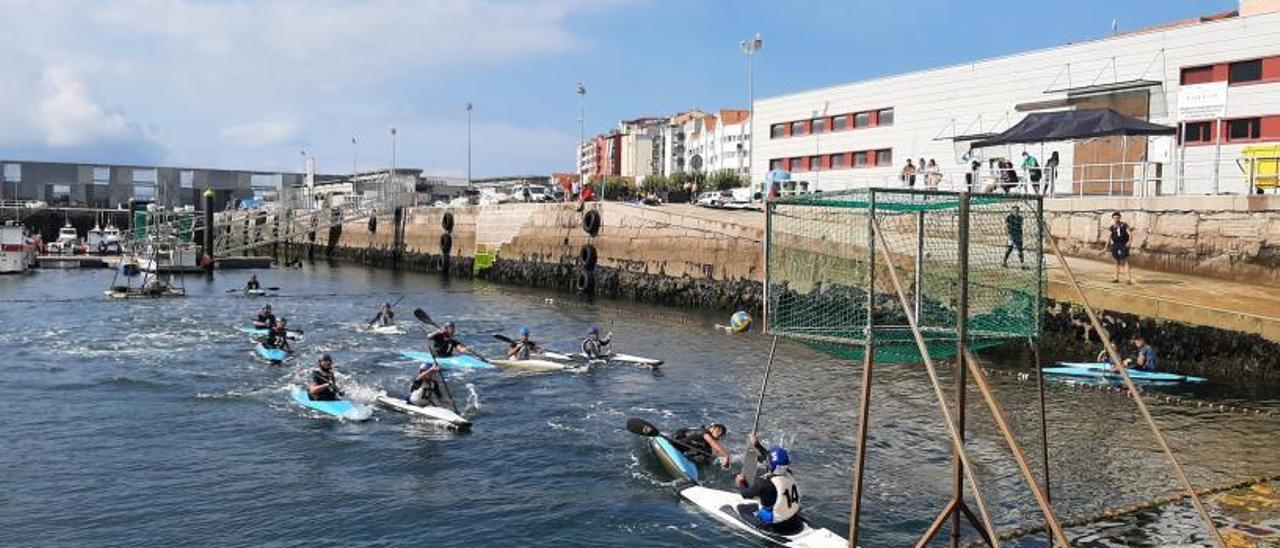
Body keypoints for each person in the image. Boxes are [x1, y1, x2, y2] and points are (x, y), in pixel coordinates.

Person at [733, 436, 803, 534]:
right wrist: (757, 445)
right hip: (793, 519)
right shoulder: (789, 473)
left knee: (740, 508)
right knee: (768, 500)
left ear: (769, 465)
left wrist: (740, 482)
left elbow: (745, 494)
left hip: (776, 525)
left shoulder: (763, 484)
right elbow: (771, 459)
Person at [1107, 211, 1132, 284]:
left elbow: (1130, 234)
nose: (1116, 219)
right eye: (1115, 218)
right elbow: (1109, 237)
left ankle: (1128, 279)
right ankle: (1116, 278)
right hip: (1115, 245)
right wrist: (1108, 245)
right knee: (1116, 261)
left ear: (1120, 218)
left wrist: (1129, 242)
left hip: (1123, 244)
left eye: (1117, 218)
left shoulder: (1124, 225)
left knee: (1125, 261)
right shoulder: (1112, 227)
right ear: (1113, 218)